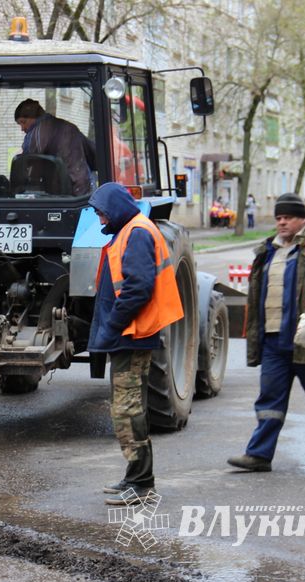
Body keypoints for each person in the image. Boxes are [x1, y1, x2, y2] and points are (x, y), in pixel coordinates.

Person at [228, 193, 305, 472]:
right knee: (269, 399)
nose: (282, 223)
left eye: (288, 218)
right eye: (279, 218)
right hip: (274, 340)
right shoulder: (267, 250)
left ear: (303, 219)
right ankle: (259, 454)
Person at [87, 183, 184, 505]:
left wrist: (113, 324)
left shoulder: (137, 233)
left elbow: (137, 288)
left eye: (101, 211)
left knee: (128, 410)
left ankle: (142, 483)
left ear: (114, 208)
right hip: (127, 334)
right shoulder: (129, 230)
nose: (99, 218)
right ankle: (134, 475)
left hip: (132, 334)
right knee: (123, 408)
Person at [14, 98, 94, 195]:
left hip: (62, 193)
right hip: (84, 190)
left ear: (33, 117)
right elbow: (93, 153)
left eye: (23, 122)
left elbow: (29, 165)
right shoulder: (70, 127)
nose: (22, 128)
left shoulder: (36, 133)